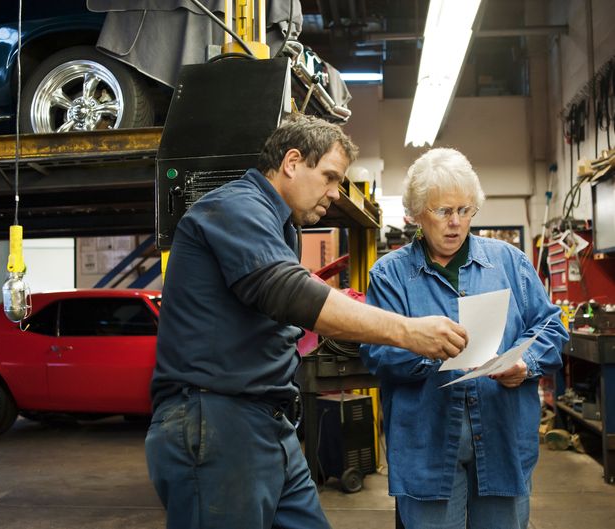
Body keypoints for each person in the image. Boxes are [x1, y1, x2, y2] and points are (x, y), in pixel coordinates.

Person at [145, 115, 468, 529]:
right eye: (330, 177)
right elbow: (287, 290)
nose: (335, 194)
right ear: (292, 162)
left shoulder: (281, 227)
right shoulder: (235, 207)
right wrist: (409, 332)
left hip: (267, 423)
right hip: (216, 420)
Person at [360, 148, 569, 529]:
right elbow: (376, 353)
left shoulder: (510, 262)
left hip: (503, 436)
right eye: (442, 211)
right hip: (427, 443)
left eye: (465, 210)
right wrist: (427, 348)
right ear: (416, 213)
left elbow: (552, 327)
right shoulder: (390, 275)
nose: (456, 223)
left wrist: (526, 364)